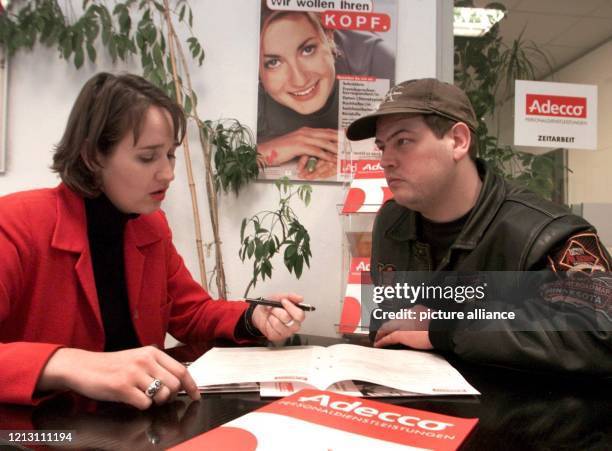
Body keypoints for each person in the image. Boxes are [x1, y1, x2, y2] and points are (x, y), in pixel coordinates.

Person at [0, 72, 308, 409]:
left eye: (170, 155)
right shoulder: (15, 225)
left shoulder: (150, 225)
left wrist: (253, 316)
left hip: (134, 425)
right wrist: (66, 364)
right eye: (148, 157)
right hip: (38, 434)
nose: (168, 173)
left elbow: (191, 313)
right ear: (92, 156)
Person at [346, 78, 612, 373]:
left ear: (458, 141)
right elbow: (386, 320)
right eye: (382, 146)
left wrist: (444, 327)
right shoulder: (391, 221)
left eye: (403, 141)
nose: (385, 161)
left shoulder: (547, 233)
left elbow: (599, 333)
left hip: (516, 412)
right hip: (414, 405)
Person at [257, 3, 394, 180]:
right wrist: (269, 149)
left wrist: (355, 151)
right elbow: (223, 161)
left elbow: (412, 136)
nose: (299, 80)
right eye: (273, 62)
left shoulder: (374, 58)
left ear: (329, 36)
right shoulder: (248, 88)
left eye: (307, 50)